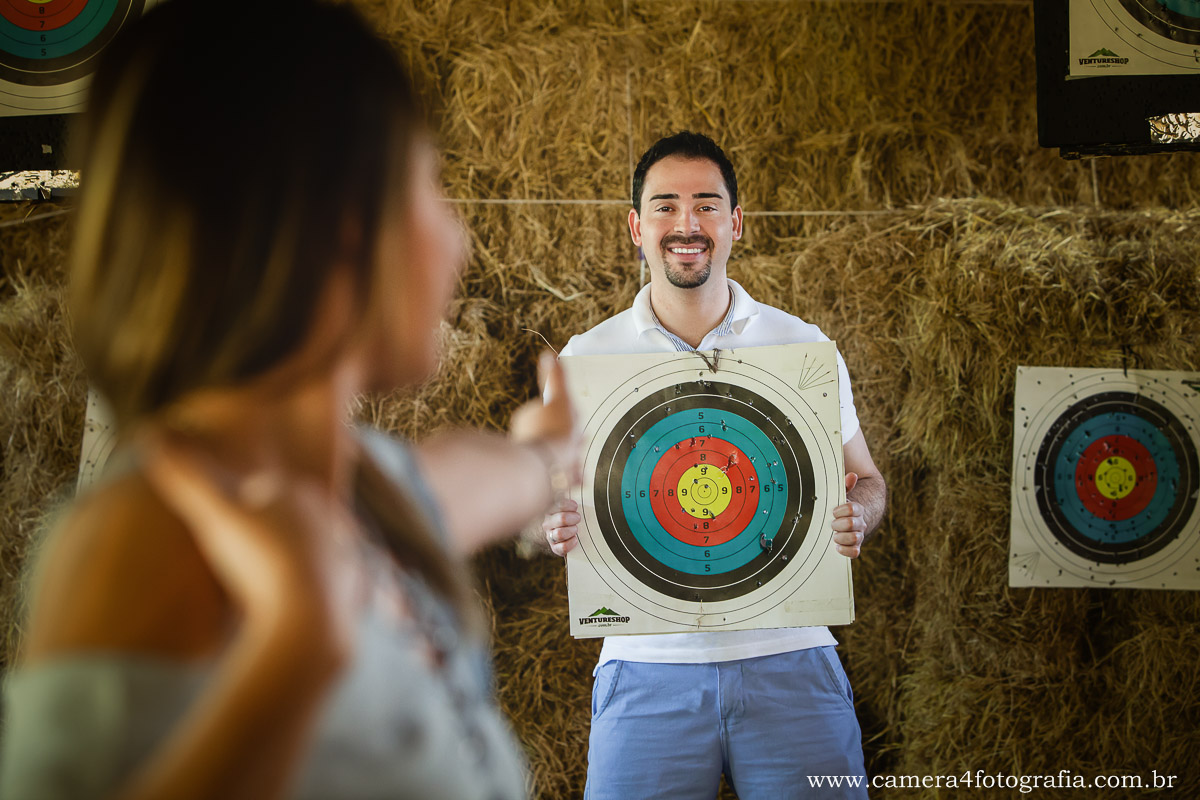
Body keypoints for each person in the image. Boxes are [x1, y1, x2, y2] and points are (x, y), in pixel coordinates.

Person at [0, 2, 577, 799]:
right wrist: (299, 649)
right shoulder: (142, 540)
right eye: (431, 187)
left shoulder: (369, 486)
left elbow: (479, 476)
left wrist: (549, 450)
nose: (459, 240)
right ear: (342, 223)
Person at [536, 131, 887, 799]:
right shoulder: (583, 360)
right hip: (642, 670)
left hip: (792, 658)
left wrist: (859, 516)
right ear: (636, 227)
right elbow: (552, 503)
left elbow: (866, 479)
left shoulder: (803, 346)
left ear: (736, 223)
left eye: (706, 204)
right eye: (665, 207)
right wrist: (551, 523)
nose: (686, 224)